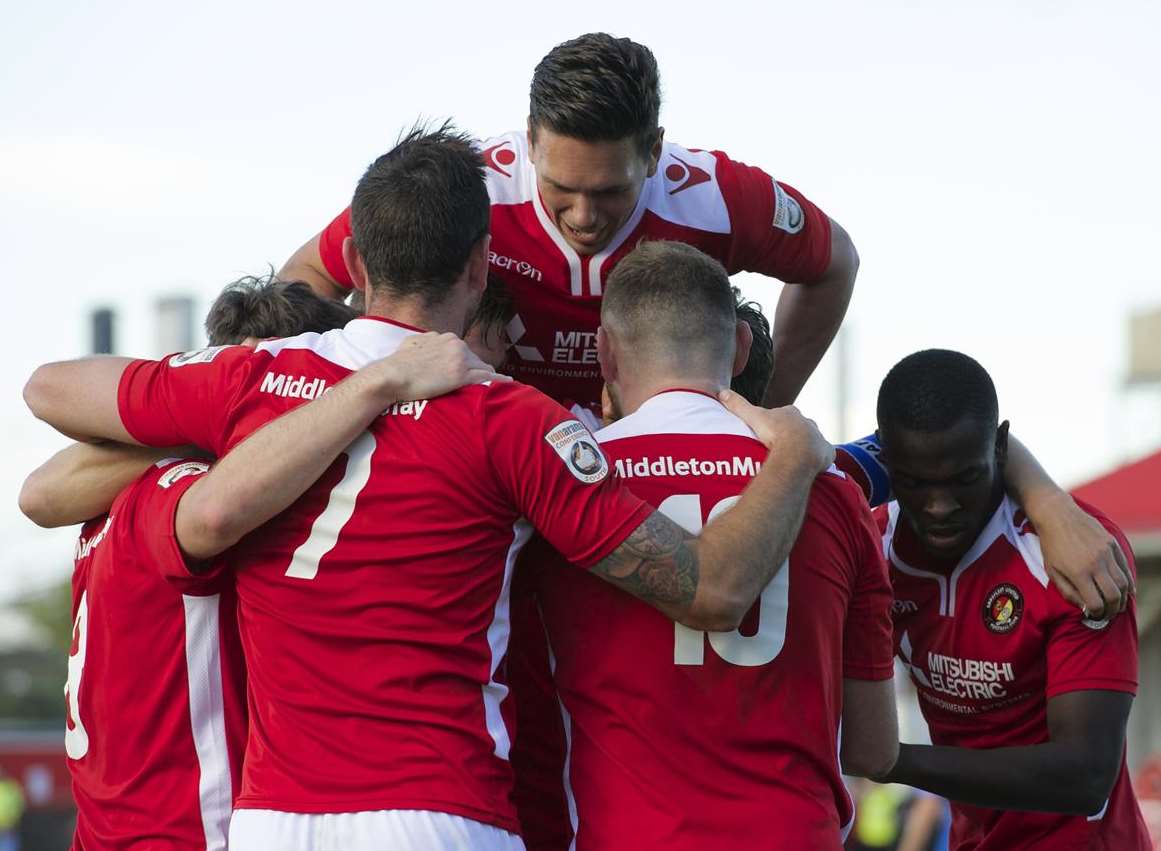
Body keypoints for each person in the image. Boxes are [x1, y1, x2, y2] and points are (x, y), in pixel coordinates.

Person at [23, 124, 834, 851]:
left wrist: (301, 407)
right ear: (481, 266)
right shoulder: (512, 417)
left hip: (273, 821)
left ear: (359, 265)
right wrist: (793, 456)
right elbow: (709, 588)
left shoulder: (256, 379)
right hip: (439, 814)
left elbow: (49, 390)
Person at [20, 281, 492, 851]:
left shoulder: (113, 497)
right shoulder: (196, 496)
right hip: (192, 832)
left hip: (109, 831)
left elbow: (40, 495)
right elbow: (208, 512)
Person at [519, 242, 898, 849]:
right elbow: (874, 748)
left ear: (605, 352)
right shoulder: (833, 492)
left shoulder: (564, 484)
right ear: (743, 347)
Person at [280, 32, 859, 411]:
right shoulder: (468, 188)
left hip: (639, 472)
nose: (584, 217)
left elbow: (835, 264)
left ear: (654, 152)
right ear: (530, 141)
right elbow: (308, 272)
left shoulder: (715, 198)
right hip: (489, 457)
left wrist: (770, 407)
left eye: (611, 192)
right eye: (562, 189)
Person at [867, 349, 1151, 850]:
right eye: (915, 483)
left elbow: (1085, 775)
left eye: (964, 479)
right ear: (884, 458)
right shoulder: (871, 549)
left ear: (999, 447)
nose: (939, 506)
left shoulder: (1073, 554)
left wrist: (893, 759)